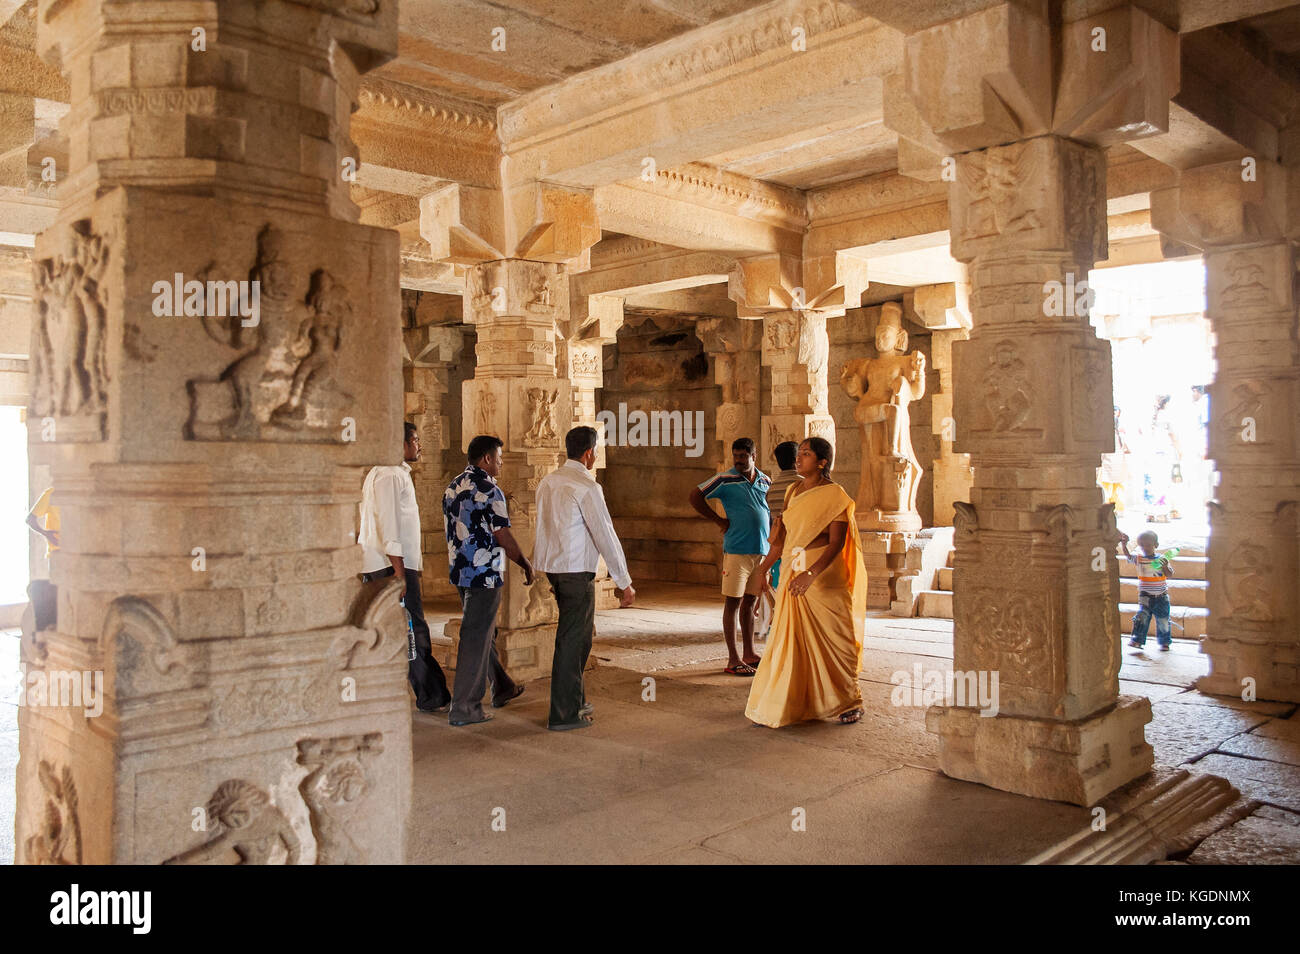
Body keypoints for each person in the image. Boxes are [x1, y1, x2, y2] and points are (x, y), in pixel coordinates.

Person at [743, 437, 866, 727]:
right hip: (791, 571)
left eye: (807, 454)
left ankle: (850, 701)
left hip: (823, 576)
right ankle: (795, 702)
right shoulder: (792, 492)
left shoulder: (835, 495)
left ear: (822, 462)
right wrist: (762, 570)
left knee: (836, 639)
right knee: (791, 640)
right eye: (800, 453)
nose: (800, 458)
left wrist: (811, 574)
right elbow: (781, 540)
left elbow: (836, 543)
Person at [533, 426, 636, 731]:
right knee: (573, 639)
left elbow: (543, 527)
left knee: (577, 638)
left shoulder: (549, 481)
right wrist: (623, 580)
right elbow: (604, 534)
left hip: (555, 568)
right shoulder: (587, 486)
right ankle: (563, 713)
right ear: (590, 452)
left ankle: (574, 699)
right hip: (575, 570)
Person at [360, 422, 452, 713]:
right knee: (413, 629)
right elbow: (390, 528)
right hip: (390, 566)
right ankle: (431, 693)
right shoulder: (389, 476)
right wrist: (399, 571)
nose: (419, 445)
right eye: (414, 439)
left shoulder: (388, 473)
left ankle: (427, 691)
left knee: (397, 629)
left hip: (387, 564)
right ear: (398, 444)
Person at [443, 434, 531, 726]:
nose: (502, 463)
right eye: (500, 458)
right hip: (485, 575)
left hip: (461, 572)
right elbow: (501, 533)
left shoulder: (453, 486)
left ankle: (502, 686)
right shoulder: (490, 490)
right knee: (476, 637)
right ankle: (464, 708)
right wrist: (524, 562)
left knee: (482, 633)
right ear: (487, 459)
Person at [689, 438, 771, 676]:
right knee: (732, 603)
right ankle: (733, 658)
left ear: (754, 455)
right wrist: (718, 520)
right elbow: (695, 496)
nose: (738, 460)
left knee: (749, 603)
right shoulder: (724, 479)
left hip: (760, 552)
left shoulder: (765, 481)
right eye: (735, 456)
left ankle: (749, 653)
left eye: (743, 456)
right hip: (736, 551)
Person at [759, 441, 801, 634]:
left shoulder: (772, 487)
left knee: (781, 586)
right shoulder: (802, 484)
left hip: (779, 546)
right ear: (796, 459)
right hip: (799, 544)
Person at [1119, 530, 1175, 652]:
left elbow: (1169, 574)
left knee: (1163, 619)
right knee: (1142, 617)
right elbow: (1128, 556)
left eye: (1148, 545)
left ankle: (1164, 642)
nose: (1145, 548)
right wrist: (1124, 544)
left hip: (1161, 596)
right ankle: (1137, 640)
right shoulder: (1139, 558)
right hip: (1145, 595)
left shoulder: (1162, 559)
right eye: (1142, 545)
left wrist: (1165, 566)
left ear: (1156, 545)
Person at [25, 486, 60, 630]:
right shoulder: (51, 493)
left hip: (78, 552)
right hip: (57, 552)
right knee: (56, 593)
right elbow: (30, 519)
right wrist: (46, 534)